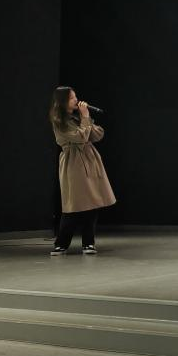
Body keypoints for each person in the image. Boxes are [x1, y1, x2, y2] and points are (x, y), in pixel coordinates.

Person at [48, 86, 116, 255]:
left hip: (90, 159)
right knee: (73, 203)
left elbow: (97, 134)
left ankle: (89, 243)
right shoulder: (59, 121)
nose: (76, 100)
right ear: (63, 101)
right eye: (72, 98)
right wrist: (86, 120)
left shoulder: (78, 116)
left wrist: (86, 119)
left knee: (92, 203)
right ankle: (61, 243)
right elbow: (80, 137)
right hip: (73, 162)